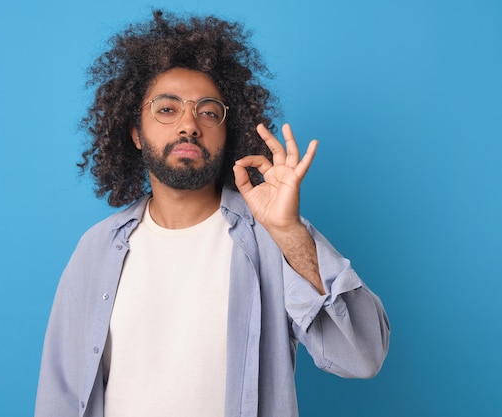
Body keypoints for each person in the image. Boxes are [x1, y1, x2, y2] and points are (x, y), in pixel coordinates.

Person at [35, 9, 390, 417]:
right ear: (135, 133)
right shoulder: (96, 248)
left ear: (228, 132)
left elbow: (362, 357)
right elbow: (60, 394)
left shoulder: (273, 234)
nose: (189, 125)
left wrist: (290, 232)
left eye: (207, 111)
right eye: (167, 109)